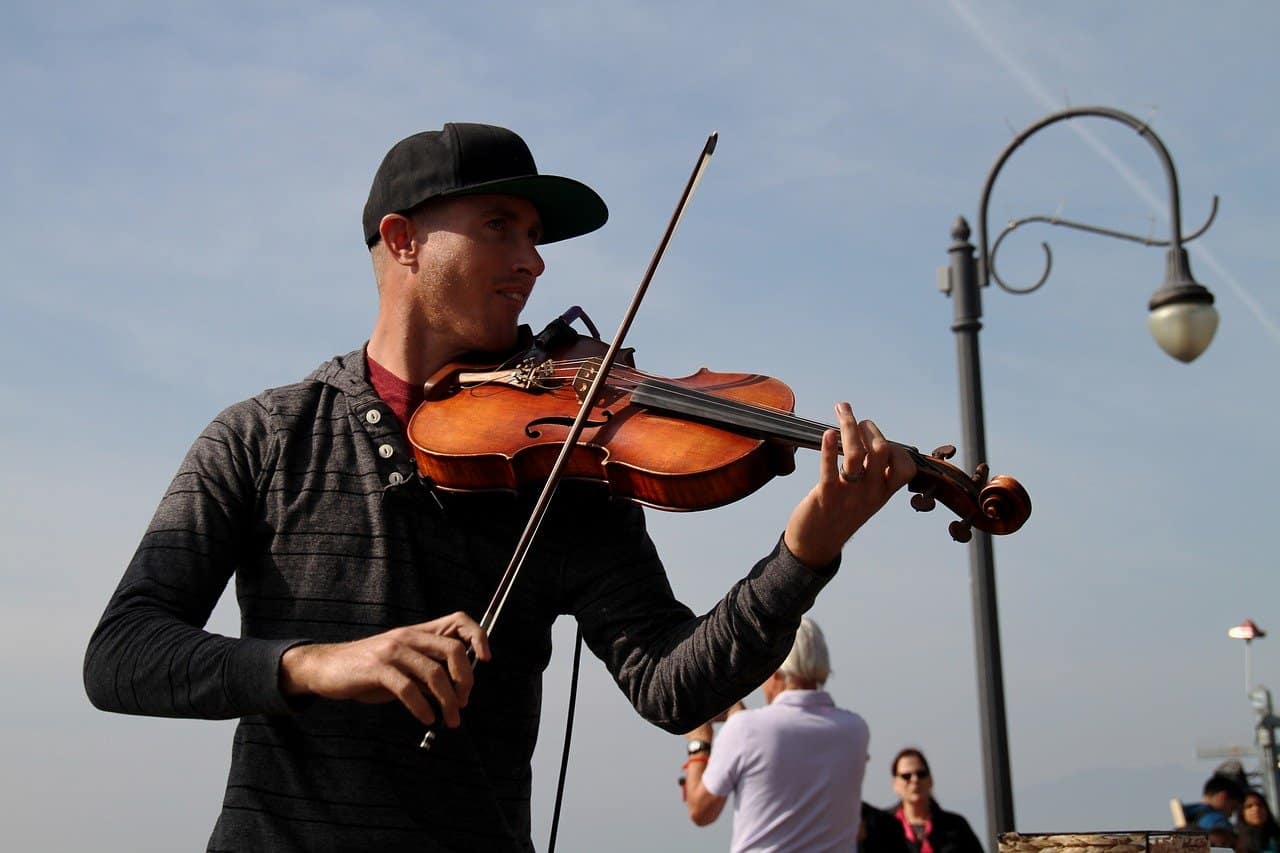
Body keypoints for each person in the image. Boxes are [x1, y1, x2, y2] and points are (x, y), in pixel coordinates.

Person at [82, 122, 917, 852]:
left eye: (535, 235)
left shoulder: (563, 462)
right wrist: (316, 664)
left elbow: (672, 682)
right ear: (403, 240)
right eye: (499, 227)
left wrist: (806, 550)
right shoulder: (263, 437)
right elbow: (122, 653)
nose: (533, 261)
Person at [679, 616, 871, 851]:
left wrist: (699, 742)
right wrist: (738, 717)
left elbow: (700, 811)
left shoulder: (745, 730)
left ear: (775, 669)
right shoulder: (855, 731)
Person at [885, 747, 985, 853]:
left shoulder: (955, 827)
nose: (915, 780)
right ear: (895, 784)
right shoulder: (883, 827)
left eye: (921, 774)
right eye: (906, 776)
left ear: (930, 780)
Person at [1182, 773, 1245, 849]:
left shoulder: (1187, 814)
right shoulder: (1218, 820)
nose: (1231, 815)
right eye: (1233, 808)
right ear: (1222, 796)